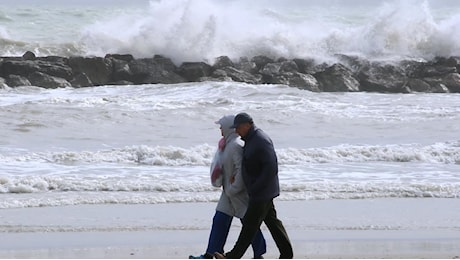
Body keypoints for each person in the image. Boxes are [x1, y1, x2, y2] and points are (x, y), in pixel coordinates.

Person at [214, 113, 294, 259]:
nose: (236, 131)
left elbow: (271, 167)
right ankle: (287, 254)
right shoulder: (251, 139)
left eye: (238, 128)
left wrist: (256, 188)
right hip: (262, 191)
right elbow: (247, 163)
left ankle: (232, 256)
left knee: (249, 227)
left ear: (247, 125)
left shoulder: (260, 140)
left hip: (261, 193)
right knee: (273, 224)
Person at [189, 115, 266, 259]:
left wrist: (234, 187)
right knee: (219, 220)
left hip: (238, 193)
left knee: (249, 224)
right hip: (228, 192)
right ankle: (210, 254)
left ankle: (259, 254)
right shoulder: (225, 145)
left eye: (221, 126)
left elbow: (241, 171)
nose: (220, 129)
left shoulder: (235, 146)